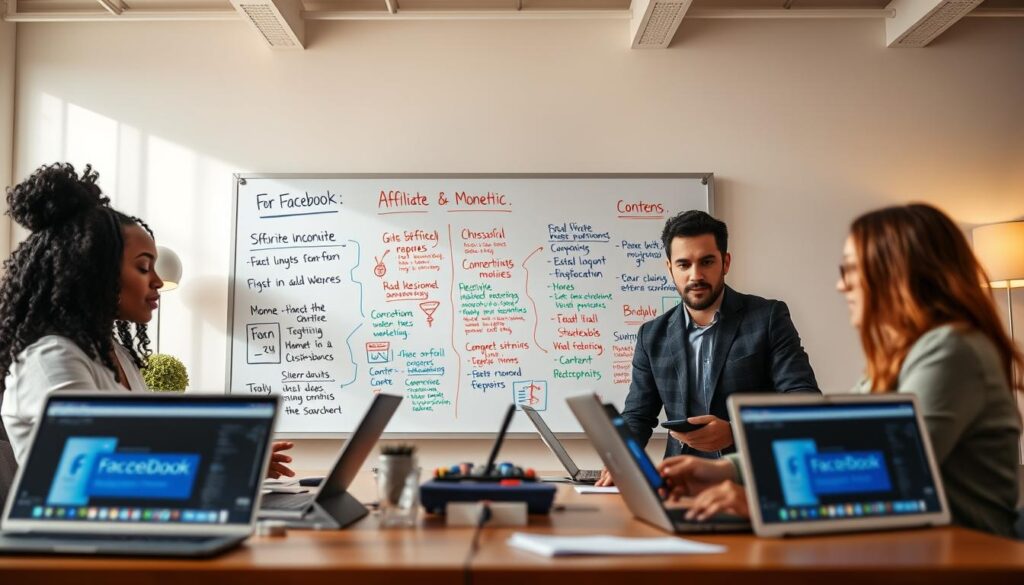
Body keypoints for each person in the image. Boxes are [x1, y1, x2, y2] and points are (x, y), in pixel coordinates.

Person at [660, 203, 1023, 538]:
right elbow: (832, 438)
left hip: (966, 557)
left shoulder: (952, 350)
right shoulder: (901, 357)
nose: (841, 284)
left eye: (850, 269)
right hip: (913, 546)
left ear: (896, 273)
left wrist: (759, 502)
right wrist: (725, 470)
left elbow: (889, 467)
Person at [0, 163, 294, 478]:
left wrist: (237, 462)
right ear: (94, 273)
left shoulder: (114, 354)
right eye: (143, 267)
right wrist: (227, 464)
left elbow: (144, 450)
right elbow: (101, 468)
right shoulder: (50, 357)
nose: (157, 281)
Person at [598, 211, 819, 485]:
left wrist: (736, 432)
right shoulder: (651, 335)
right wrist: (620, 460)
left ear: (725, 262)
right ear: (669, 268)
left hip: (754, 480)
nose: (696, 275)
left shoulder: (768, 318)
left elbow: (803, 400)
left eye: (706, 262)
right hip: (680, 482)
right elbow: (638, 415)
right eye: (683, 264)